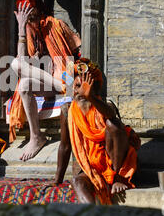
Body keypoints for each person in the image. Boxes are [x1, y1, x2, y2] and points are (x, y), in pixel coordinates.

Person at [9, 0, 81, 161]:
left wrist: (74, 79)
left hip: (68, 80)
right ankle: (37, 136)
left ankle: (64, 86)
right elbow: (23, 62)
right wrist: (21, 30)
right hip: (50, 83)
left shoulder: (56, 25)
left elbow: (77, 53)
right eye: (23, 16)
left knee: (17, 64)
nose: (28, 19)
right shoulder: (29, 33)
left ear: (37, 10)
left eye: (29, 15)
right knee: (23, 83)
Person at [54, 58, 140, 205]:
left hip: (116, 166)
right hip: (89, 167)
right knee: (77, 182)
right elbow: (65, 146)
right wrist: (57, 181)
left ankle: (116, 179)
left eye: (85, 87)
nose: (80, 91)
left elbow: (112, 116)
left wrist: (91, 98)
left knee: (112, 124)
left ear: (94, 88)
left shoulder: (105, 105)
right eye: (77, 86)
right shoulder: (67, 111)